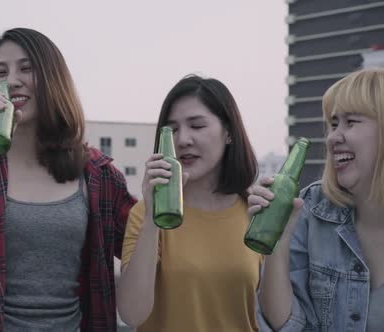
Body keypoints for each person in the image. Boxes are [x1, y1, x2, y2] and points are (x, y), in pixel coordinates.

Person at [0, 27, 136, 331]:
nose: (11, 81)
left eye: (27, 68)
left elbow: (149, 251)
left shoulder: (99, 175)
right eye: (0, 72)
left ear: (54, 80)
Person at [117, 74, 262, 331]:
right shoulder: (145, 213)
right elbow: (131, 314)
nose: (183, 139)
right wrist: (153, 219)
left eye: (197, 126)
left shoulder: (255, 213)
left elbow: (278, 315)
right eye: (172, 129)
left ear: (229, 133)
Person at [248, 68, 384, 331]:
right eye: (333, 124)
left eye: (351, 122)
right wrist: (279, 237)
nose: (333, 136)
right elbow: (285, 323)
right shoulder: (313, 206)